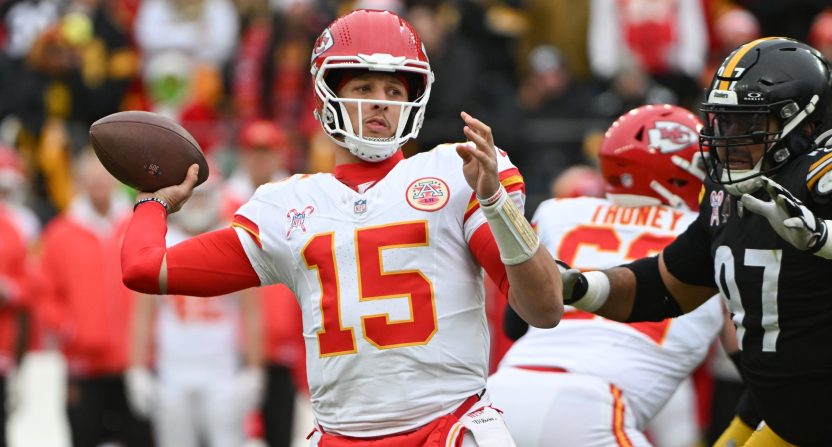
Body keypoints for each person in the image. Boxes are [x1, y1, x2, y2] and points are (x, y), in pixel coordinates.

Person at [119, 8, 562, 446]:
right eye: (363, 87)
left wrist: (496, 204)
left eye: (393, 88)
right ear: (327, 94)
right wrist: (153, 203)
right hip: (341, 437)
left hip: (449, 428)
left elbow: (543, 309)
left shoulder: (456, 173)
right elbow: (144, 268)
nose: (379, 101)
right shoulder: (285, 206)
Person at [558, 37, 832, 446]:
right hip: (789, 419)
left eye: (748, 122)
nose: (730, 136)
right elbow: (666, 287)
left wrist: (824, 239)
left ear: (801, 122)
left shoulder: (818, 174)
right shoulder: (728, 194)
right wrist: (578, 286)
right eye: (725, 121)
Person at [489, 104, 723, 446]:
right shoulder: (711, 232)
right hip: (597, 407)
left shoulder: (560, 212)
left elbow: (516, 322)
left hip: (503, 393)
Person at [126, 174, 265, 447]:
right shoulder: (162, 238)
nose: (199, 205)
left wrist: (254, 368)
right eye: (195, 197)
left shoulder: (232, 237)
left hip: (222, 371)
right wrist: (137, 369)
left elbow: (252, 312)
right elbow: (142, 313)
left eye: (205, 196)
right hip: (173, 371)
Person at [38, 151, 153, 447]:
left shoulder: (138, 225)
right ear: (79, 183)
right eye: (90, 180)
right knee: (84, 437)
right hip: (83, 367)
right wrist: (69, 329)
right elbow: (44, 294)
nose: (97, 186)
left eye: (103, 180)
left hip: (134, 363)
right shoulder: (59, 234)